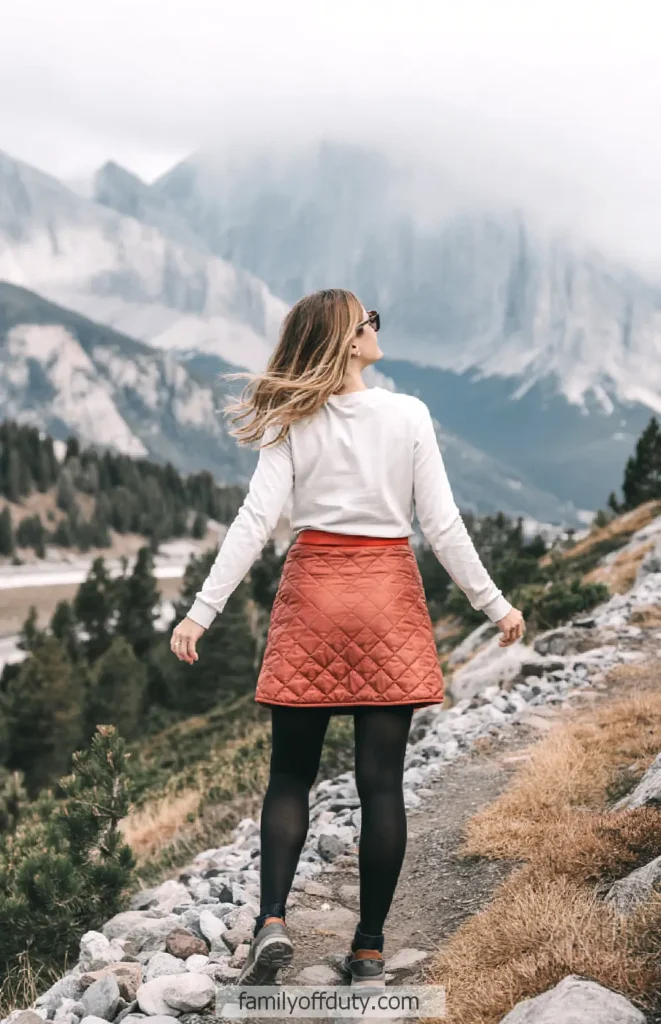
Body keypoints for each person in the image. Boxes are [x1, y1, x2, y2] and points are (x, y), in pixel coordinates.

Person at [169, 288, 525, 988]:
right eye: (369, 321)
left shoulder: (290, 418)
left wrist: (200, 612)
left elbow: (252, 522)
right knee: (380, 786)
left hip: (314, 597)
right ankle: (366, 950)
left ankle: (271, 923)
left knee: (289, 777)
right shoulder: (408, 415)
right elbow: (442, 527)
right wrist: (494, 604)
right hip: (385, 599)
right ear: (347, 337)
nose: (376, 330)